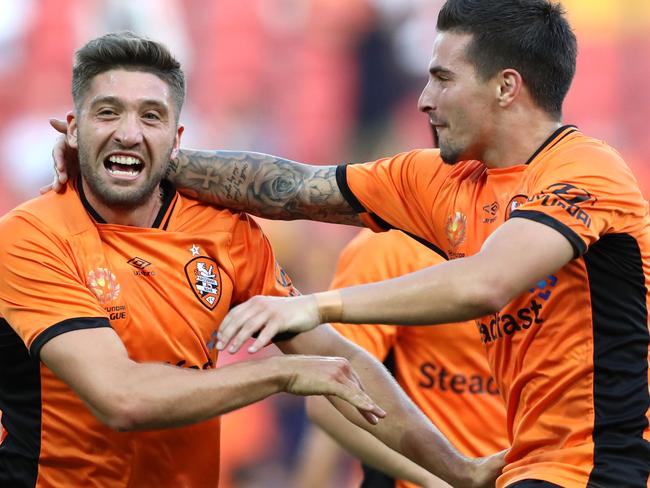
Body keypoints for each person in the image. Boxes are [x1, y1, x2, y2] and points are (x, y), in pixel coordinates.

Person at [49, 1, 650, 486]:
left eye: (442, 79)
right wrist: (132, 157)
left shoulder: (587, 172)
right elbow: (295, 188)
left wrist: (317, 305)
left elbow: (486, 284)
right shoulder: (440, 182)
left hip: (612, 464)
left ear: (505, 87)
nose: (423, 99)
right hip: (530, 466)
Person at [0, 32, 507, 488]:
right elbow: (122, 399)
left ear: (177, 140)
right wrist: (281, 374)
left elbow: (342, 363)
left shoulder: (223, 231)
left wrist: (458, 470)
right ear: (72, 128)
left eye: (150, 116)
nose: (129, 133)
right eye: (107, 112)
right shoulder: (31, 236)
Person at [294, 229, 509, 488]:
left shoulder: (544, 237)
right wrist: (439, 477)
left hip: (540, 475)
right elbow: (328, 399)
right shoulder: (388, 247)